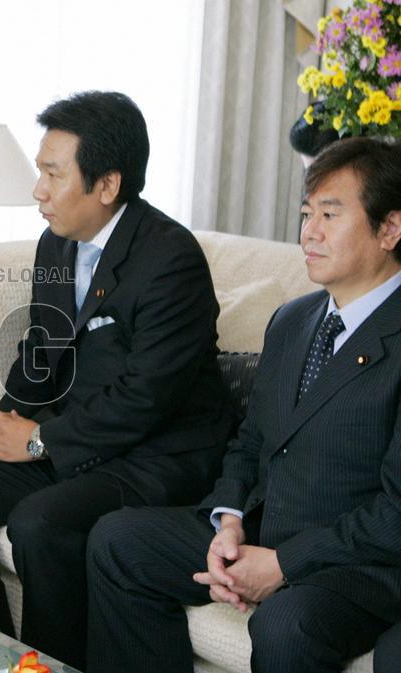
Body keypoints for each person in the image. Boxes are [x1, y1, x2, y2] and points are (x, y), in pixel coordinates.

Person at [0, 91, 231, 669]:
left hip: (156, 457)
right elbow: (41, 349)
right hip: (76, 442)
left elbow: (146, 398)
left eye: (53, 174)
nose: (39, 191)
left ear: (106, 185)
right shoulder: (58, 242)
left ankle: (48, 666)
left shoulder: (170, 260)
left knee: (40, 522)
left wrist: (37, 441)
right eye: (40, 171)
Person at [86, 137, 401, 673]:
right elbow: (251, 441)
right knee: (118, 541)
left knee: (284, 625)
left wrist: (283, 564)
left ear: (390, 228)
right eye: (306, 214)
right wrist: (227, 521)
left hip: (355, 562)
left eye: (330, 214)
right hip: (263, 526)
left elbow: (395, 515)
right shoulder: (293, 320)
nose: (309, 233)